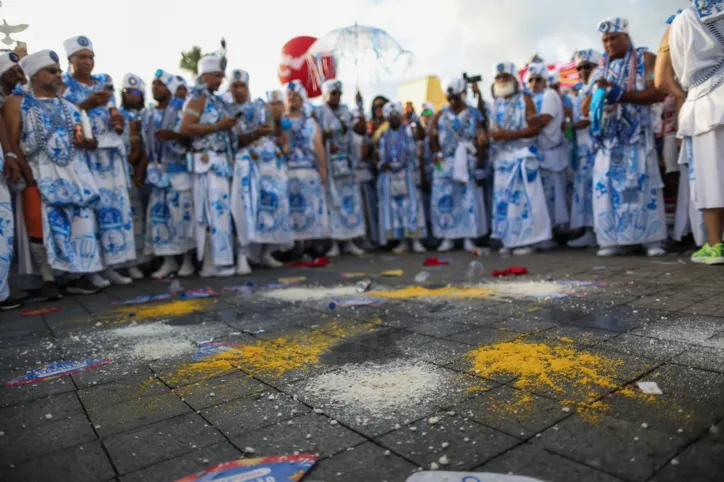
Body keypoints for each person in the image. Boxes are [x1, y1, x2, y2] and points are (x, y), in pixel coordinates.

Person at [5, 49, 104, 297]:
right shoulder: (17, 103)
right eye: (52, 71)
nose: (58, 75)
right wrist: (28, 177)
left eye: (59, 70)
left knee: (79, 224)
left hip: (72, 175)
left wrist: (89, 142)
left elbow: (83, 138)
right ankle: (48, 280)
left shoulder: (70, 107)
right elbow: (12, 141)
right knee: (39, 226)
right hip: (39, 173)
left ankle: (76, 276)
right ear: (35, 76)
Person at [583, 18, 668, 257]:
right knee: (608, 189)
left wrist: (621, 94)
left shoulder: (645, 58)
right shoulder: (599, 70)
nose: (609, 43)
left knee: (640, 186)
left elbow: (658, 92)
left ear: (626, 37)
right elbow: (584, 108)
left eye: (614, 38)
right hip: (608, 142)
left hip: (636, 139)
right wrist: (599, 95)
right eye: (605, 40)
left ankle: (652, 239)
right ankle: (612, 240)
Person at [61, 35, 136, 286]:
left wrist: (117, 120)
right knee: (90, 213)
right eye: (81, 57)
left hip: (110, 155)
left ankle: (111, 265)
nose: (87, 61)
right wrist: (85, 104)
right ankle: (91, 270)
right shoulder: (64, 84)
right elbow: (60, 115)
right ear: (70, 59)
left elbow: (113, 108)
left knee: (113, 210)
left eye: (90, 57)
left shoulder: (103, 81)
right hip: (85, 156)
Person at [664, 4, 724, 264]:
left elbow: (665, 78)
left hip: (703, 101)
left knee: (711, 177)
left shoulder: (682, 19)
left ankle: (715, 244)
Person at [179, 55, 235, 277]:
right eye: (217, 76)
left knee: (220, 212)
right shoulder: (198, 97)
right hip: (206, 164)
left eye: (222, 76)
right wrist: (217, 126)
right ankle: (211, 263)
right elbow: (185, 127)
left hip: (220, 163)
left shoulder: (215, 99)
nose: (220, 80)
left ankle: (219, 261)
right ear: (204, 76)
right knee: (209, 212)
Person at [489, 62, 552, 254]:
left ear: (514, 79)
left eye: (505, 77)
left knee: (525, 201)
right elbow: (493, 130)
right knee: (505, 202)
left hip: (522, 157)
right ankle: (509, 240)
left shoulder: (526, 99)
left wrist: (506, 135)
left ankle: (529, 241)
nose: (501, 81)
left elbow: (535, 128)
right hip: (502, 158)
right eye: (498, 78)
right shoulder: (496, 103)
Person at [141, 69, 195, 278]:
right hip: (157, 174)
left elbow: (191, 140)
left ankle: (187, 261)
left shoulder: (183, 110)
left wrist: (174, 135)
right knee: (159, 218)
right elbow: (148, 146)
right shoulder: (148, 113)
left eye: (161, 84)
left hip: (179, 172)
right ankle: (169, 261)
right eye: (154, 83)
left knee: (181, 218)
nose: (156, 87)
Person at [230, 86, 291, 269]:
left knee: (272, 207)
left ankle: (266, 252)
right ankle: (242, 254)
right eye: (235, 85)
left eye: (242, 86)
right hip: (246, 165)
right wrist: (256, 133)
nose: (239, 90)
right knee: (246, 208)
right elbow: (234, 140)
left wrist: (277, 119)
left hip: (270, 165)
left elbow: (275, 133)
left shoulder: (260, 107)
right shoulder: (226, 109)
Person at [428, 79, 488, 253]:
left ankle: (469, 237)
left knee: (467, 200)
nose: (453, 101)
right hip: (446, 162)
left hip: (466, 162)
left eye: (456, 97)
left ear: (463, 95)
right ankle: (448, 237)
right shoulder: (441, 114)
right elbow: (432, 134)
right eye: (450, 97)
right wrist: (437, 153)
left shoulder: (472, 114)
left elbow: (481, 138)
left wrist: (480, 163)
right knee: (445, 199)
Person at [316, 80, 366, 257]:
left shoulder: (346, 110)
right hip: (330, 165)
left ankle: (350, 240)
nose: (337, 97)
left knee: (350, 202)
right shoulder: (319, 112)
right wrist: (329, 133)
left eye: (339, 93)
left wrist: (360, 106)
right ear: (326, 95)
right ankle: (335, 242)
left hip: (347, 164)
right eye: (333, 93)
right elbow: (316, 135)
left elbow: (361, 129)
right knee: (333, 202)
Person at [376, 101, 427, 253]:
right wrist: (382, 163)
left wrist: (414, 117)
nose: (393, 119)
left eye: (396, 115)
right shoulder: (384, 136)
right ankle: (403, 240)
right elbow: (380, 155)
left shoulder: (409, 131)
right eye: (390, 117)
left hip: (408, 175)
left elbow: (421, 137)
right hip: (391, 176)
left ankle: (416, 239)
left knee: (412, 206)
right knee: (397, 209)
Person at [527, 62, 569, 244]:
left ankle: (551, 236)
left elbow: (543, 120)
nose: (534, 83)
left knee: (553, 198)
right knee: (542, 198)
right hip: (539, 156)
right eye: (531, 80)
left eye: (538, 79)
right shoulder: (530, 98)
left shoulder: (549, 95)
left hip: (551, 155)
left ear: (545, 81)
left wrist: (516, 130)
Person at [283, 80, 329, 245]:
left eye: (296, 95)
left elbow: (318, 146)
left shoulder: (311, 123)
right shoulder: (280, 122)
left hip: (308, 171)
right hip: (287, 172)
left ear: (302, 99)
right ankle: (293, 245)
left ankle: (310, 245)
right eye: (289, 95)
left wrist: (323, 168)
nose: (293, 98)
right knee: (290, 211)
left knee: (309, 209)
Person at [568, 49, 603, 248]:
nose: (582, 71)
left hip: (596, 147)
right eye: (579, 67)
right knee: (584, 192)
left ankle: (600, 231)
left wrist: (572, 125)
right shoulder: (581, 90)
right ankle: (589, 231)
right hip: (582, 151)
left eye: (586, 66)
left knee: (596, 191)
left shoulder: (597, 86)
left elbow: (587, 117)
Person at [118, 73, 148, 280]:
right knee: (127, 218)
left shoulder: (148, 114)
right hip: (124, 172)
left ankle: (147, 260)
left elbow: (144, 147)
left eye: (135, 91)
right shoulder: (116, 115)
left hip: (148, 171)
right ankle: (128, 263)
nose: (131, 95)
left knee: (145, 218)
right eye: (127, 92)